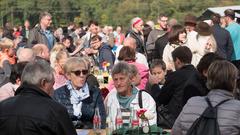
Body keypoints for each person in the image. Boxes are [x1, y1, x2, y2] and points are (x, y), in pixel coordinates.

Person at [0, 60, 76, 135]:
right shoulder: (55, 111)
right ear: (43, 83)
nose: (53, 89)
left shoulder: (2, 106)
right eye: (52, 84)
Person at [172, 60, 240, 135]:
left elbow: (175, 132)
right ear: (233, 81)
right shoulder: (237, 108)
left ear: (209, 78)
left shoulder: (192, 102)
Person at [53, 57, 106, 129]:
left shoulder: (95, 92)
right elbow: (55, 123)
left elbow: (101, 120)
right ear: (68, 75)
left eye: (84, 72)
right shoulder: (57, 94)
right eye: (77, 72)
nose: (82, 75)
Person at [157, 46, 199, 128]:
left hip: (176, 119)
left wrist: (155, 86)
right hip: (196, 118)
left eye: (174, 61)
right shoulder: (198, 75)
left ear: (178, 61)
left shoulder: (175, 76)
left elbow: (162, 99)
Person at [106, 61, 157, 126]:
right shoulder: (111, 98)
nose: (118, 83)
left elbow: (152, 126)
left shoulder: (145, 98)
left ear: (131, 79)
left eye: (122, 79)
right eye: (116, 79)